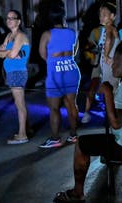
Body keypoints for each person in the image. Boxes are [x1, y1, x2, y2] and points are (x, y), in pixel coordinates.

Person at [54, 39, 122, 203]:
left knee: (82, 144)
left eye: (118, 61)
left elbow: (116, 123)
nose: (112, 65)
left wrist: (107, 92)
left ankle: (77, 192)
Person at [38, 1, 81, 148]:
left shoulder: (47, 34)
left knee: (54, 108)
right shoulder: (72, 32)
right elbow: (74, 52)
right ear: (63, 16)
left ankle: (55, 138)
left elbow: (43, 55)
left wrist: (54, 63)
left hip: (55, 73)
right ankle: (73, 135)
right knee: (71, 104)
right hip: (71, 70)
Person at [0, 10, 31, 145]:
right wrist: (9, 52)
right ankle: (25, 130)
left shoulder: (20, 36)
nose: (9, 20)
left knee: (20, 104)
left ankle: (23, 134)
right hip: (11, 72)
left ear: (19, 21)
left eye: (12, 18)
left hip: (18, 72)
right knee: (19, 104)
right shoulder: (9, 36)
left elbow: (10, 55)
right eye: (7, 18)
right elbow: (0, 54)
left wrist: (8, 52)